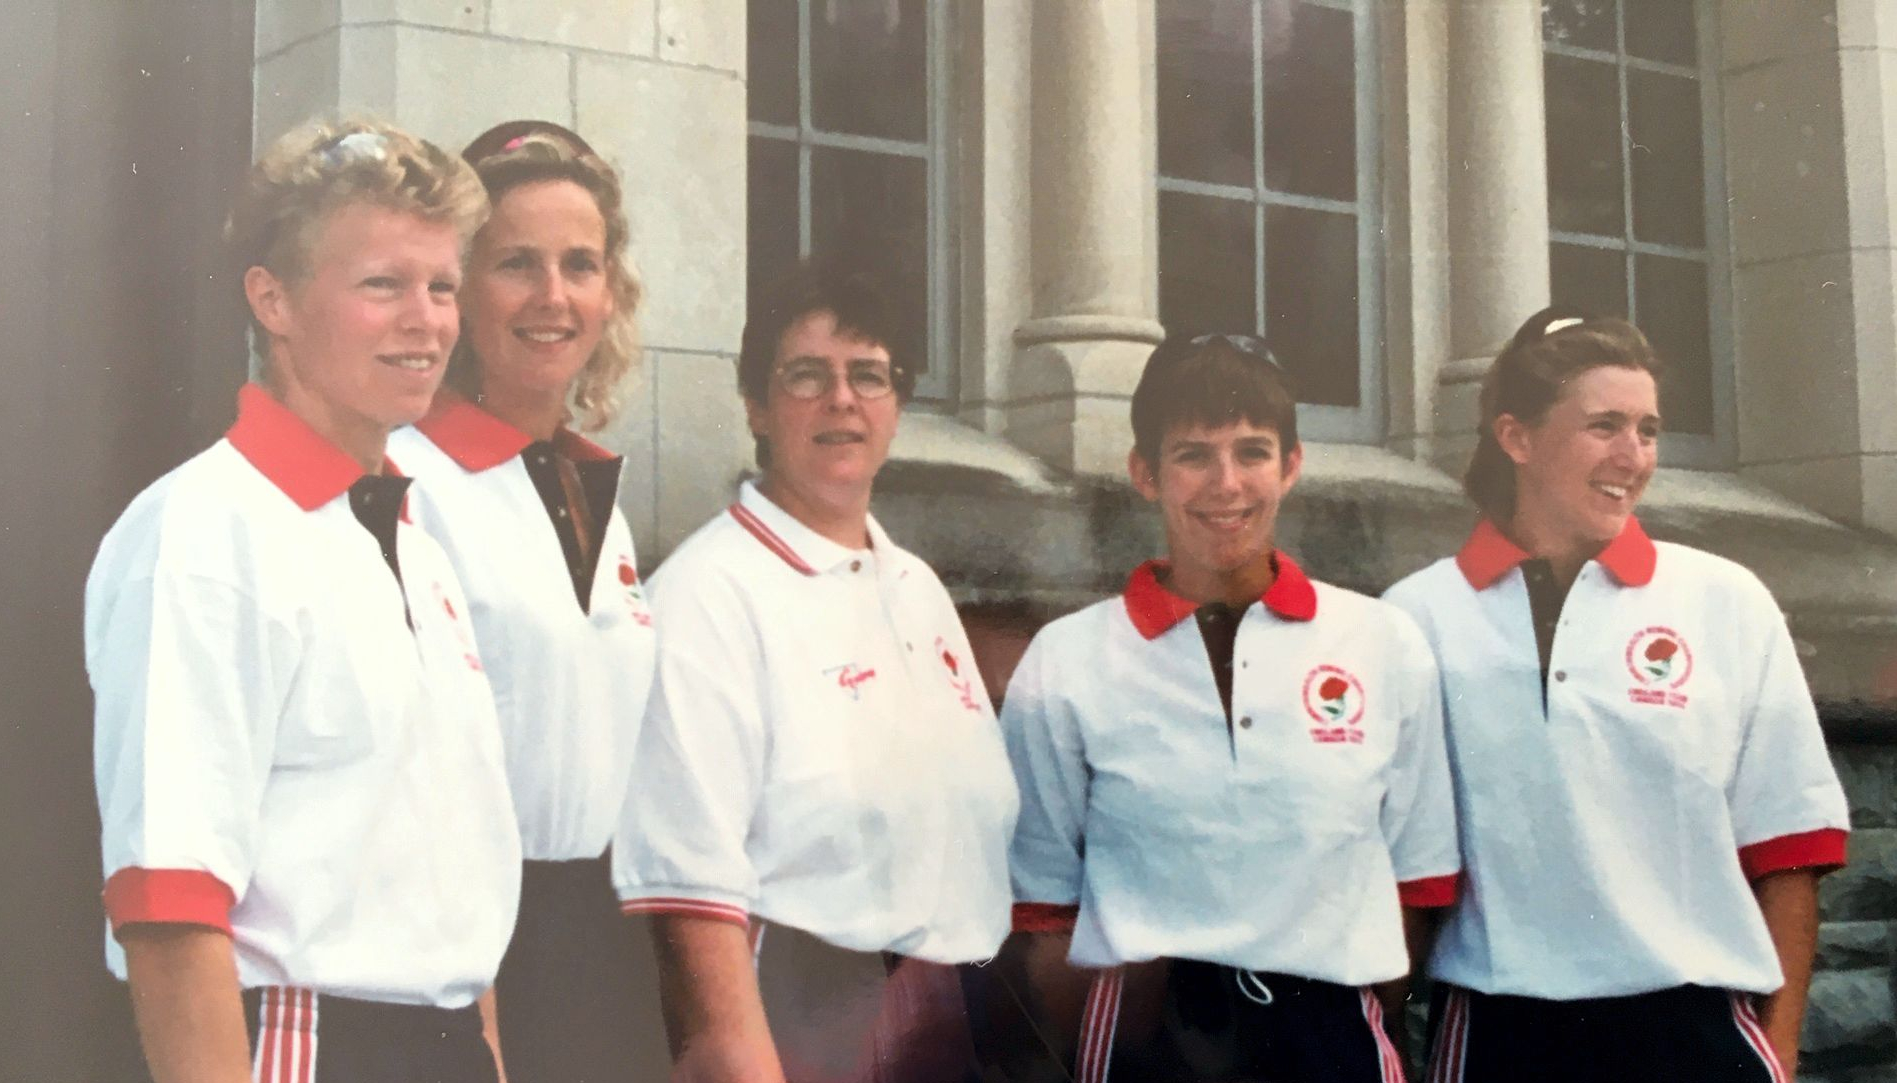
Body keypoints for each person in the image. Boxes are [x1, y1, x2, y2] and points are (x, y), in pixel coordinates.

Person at [86, 118, 519, 1083]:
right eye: (382, 285)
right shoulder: (204, 532)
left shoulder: (412, 537)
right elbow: (168, 906)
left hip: (441, 1041)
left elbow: (448, 881)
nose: (428, 320)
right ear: (272, 300)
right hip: (303, 1044)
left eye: (442, 285)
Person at [1383, 308, 1851, 1083]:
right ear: (1516, 437)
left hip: (1694, 1032)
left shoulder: (1723, 600)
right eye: (1603, 425)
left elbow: (1785, 850)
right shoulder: (1416, 617)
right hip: (1503, 1035)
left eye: (1648, 429)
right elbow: (1406, 877)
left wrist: (1780, 1050)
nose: (1632, 456)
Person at [1000, 333, 1459, 1083]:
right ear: (1144, 473)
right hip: (1147, 1034)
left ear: (1291, 464)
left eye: (1251, 451)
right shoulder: (1069, 655)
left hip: (1329, 1028)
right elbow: (1042, 906)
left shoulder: (1381, 641)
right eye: (1192, 454)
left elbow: (1417, 882)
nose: (1225, 482)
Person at [614, 259, 1019, 1083]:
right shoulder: (705, 598)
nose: (842, 399)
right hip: (812, 1024)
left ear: (897, 405)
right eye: (806, 375)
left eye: (868, 375)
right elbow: (691, 906)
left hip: (956, 1019)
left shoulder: (916, 587)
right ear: (757, 406)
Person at [387, 119, 654, 1081]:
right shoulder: (405, 477)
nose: (553, 297)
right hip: (477, 943)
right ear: (458, 288)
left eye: (579, 265)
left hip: (605, 938)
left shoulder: (593, 489)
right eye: (516, 265)